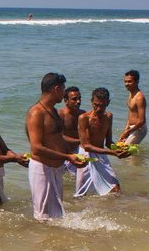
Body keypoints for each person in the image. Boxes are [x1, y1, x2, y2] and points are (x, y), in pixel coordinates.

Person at [25, 73, 87, 221]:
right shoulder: (36, 113)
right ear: (56, 89)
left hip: (56, 168)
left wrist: (73, 157)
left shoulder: (53, 111)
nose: (64, 92)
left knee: (57, 215)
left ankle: (55, 243)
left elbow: (58, 138)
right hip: (42, 168)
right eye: (63, 89)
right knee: (42, 216)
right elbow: (36, 147)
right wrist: (67, 157)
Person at [75, 88, 130, 196]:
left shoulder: (109, 117)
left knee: (116, 189)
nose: (99, 108)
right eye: (96, 105)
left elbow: (108, 142)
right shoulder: (84, 118)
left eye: (102, 105)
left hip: (101, 154)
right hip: (86, 155)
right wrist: (113, 153)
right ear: (91, 101)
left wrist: (119, 149)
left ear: (108, 103)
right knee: (82, 193)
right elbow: (86, 146)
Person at [58, 86, 85, 175]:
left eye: (79, 98)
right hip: (63, 153)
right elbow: (59, 136)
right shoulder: (60, 114)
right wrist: (80, 141)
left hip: (78, 152)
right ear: (66, 100)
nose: (78, 102)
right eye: (74, 99)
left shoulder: (83, 114)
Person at [118, 70, 148, 144]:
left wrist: (128, 132)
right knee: (120, 146)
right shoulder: (131, 94)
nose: (126, 84)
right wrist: (126, 128)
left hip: (139, 129)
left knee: (125, 151)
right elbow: (131, 112)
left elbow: (142, 121)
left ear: (137, 81)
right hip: (131, 128)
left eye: (129, 81)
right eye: (125, 81)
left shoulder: (139, 97)